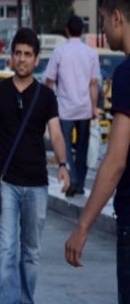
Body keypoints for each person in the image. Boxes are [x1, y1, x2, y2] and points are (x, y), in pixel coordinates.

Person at [0, 28, 70, 304]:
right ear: (11, 57)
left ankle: (26, 303)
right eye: (18, 53)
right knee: (6, 249)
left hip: (36, 184)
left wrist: (64, 165)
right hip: (5, 183)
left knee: (31, 253)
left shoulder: (46, 96)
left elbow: (56, 134)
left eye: (27, 54)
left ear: (36, 60)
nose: (21, 59)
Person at [65, 0, 130, 304]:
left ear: (117, 17)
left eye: (103, 20)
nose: (103, 30)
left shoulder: (125, 74)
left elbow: (116, 161)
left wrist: (83, 226)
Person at [43, 15, 100, 197]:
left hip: (64, 108)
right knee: (82, 149)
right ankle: (80, 183)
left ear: (67, 30)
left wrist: (47, 104)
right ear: (82, 31)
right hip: (84, 108)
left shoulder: (59, 52)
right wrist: (93, 108)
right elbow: (93, 83)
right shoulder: (91, 53)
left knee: (65, 147)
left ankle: (72, 180)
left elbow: (49, 81)